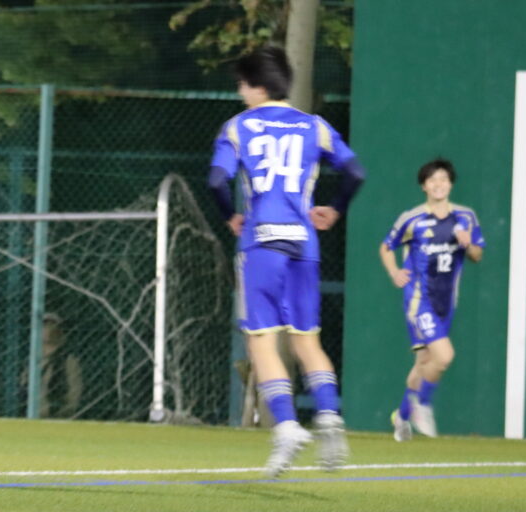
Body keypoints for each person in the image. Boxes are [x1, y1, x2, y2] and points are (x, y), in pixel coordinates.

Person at [207, 46, 365, 476]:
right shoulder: (315, 126)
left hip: (262, 239)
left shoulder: (238, 127)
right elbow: (355, 172)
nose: (240, 93)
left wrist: (230, 215)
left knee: (261, 341)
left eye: (242, 84)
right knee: (306, 340)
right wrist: (335, 209)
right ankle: (329, 419)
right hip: (303, 241)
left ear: (257, 86)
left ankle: (287, 427)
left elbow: (217, 180)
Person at [379, 158, 484, 441]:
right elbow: (386, 246)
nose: (439, 184)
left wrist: (468, 244)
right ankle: (422, 405)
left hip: (446, 301)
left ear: (451, 184)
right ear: (424, 186)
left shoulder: (466, 217)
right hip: (419, 299)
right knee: (444, 356)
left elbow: (477, 255)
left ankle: (401, 417)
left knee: (424, 363)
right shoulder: (412, 218)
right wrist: (394, 272)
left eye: (443, 179)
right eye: (432, 180)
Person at [21, 313, 83, 418]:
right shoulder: (30, 360)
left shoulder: (68, 360)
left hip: (57, 415)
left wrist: (66, 412)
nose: (48, 329)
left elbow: (74, 392)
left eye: (52, 325)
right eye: (45, 325)